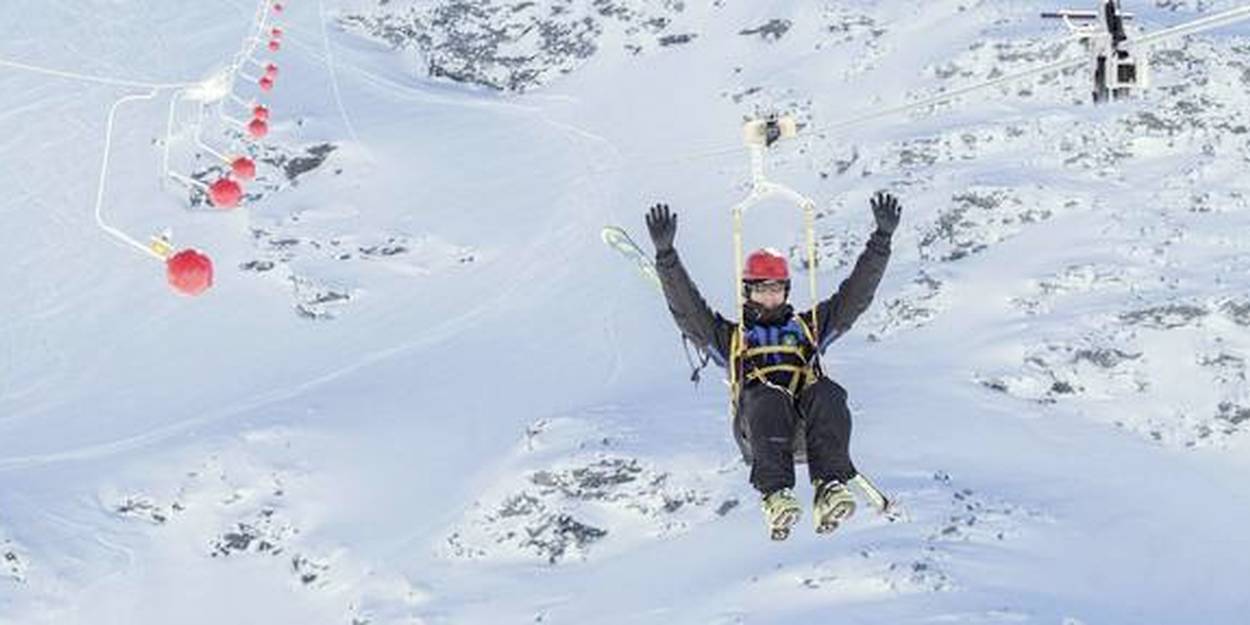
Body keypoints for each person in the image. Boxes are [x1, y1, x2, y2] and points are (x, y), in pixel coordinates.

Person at [645, 193, 900, 539]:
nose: (769, 296)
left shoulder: (807, 329)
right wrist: (666, 256)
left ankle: (829, 485)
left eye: (776, 289)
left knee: (829, 391)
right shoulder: (732, 338)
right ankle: (776, 494)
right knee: (768, 396)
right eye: (762, 289)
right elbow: (689, 312)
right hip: (760, 433)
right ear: (748, 292)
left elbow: (854, 298)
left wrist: (880, 242)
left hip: (805, 430)